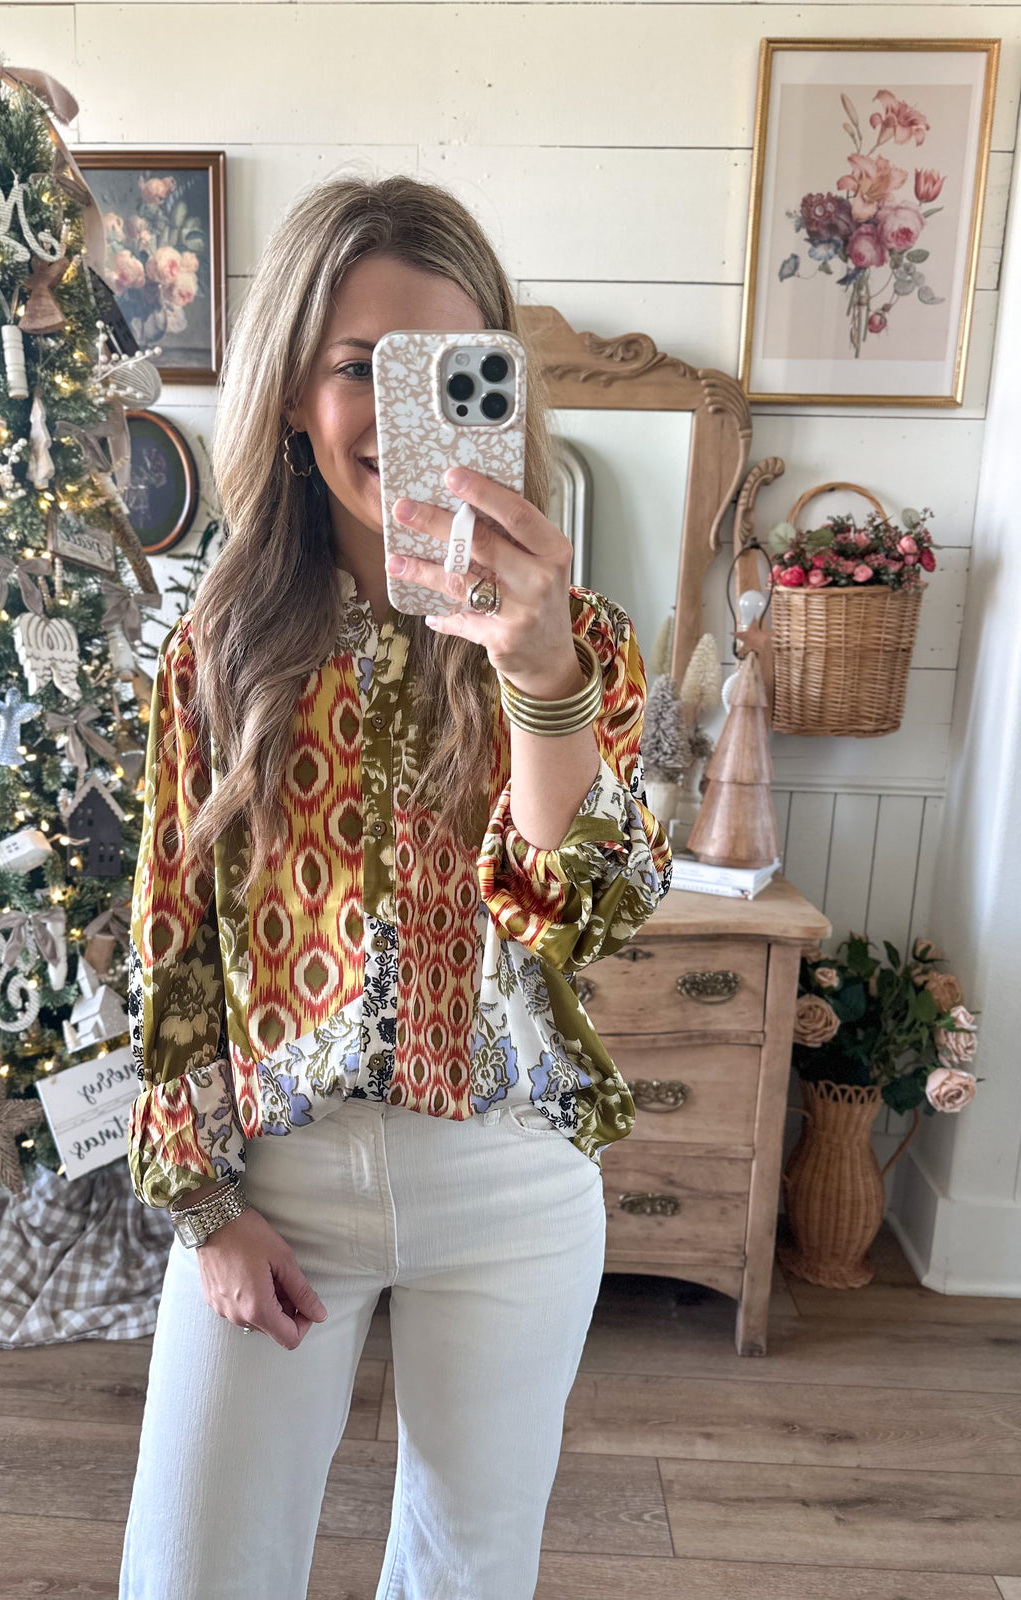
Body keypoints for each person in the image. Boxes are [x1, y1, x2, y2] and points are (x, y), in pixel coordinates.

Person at [118, 173, 673, 1600]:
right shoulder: (222, 645)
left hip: (513, 1180)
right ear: (297, 399)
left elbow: (595, 913)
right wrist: (204, 1203)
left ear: (502, 394)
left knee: (467, 1573)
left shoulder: (577, 638)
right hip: (278, 1183)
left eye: (448, 372)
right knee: (195, 1572)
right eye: (363, 369)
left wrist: (541, 682)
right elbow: (172, 939)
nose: (397, 414)